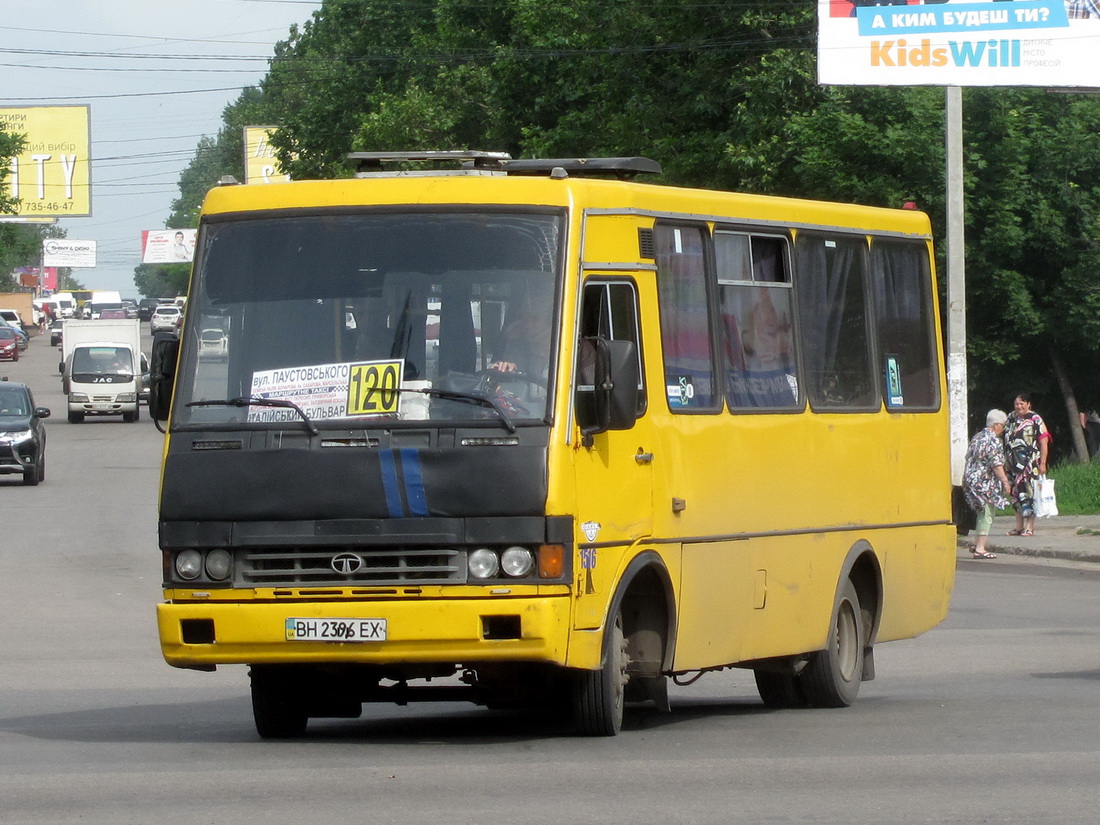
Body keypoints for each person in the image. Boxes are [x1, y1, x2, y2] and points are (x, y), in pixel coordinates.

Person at [963, 409, 1012, 559]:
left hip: (970, 480)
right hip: (984, 483)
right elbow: (996, 465)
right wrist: (1005, 482)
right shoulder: (993, 441)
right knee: (987, 513)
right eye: (1002, 426)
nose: (1003, 430)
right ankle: (980, 548)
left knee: (980, 512)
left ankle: (977, 543)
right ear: (996, 425)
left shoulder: (977, 437)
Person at [1004, 392, 1051, 537]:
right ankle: (1018, 527)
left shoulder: (1035, 419)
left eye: (1022, 404)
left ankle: (1029, 527)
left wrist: (1043, 463)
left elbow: (1044, 442)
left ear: (1028, 404)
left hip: (1030, 464)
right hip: (1012, 465)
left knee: (1030, 494)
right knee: (1016, 495)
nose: (1018, 407)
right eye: (1016, 404)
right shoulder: (1011, 418)